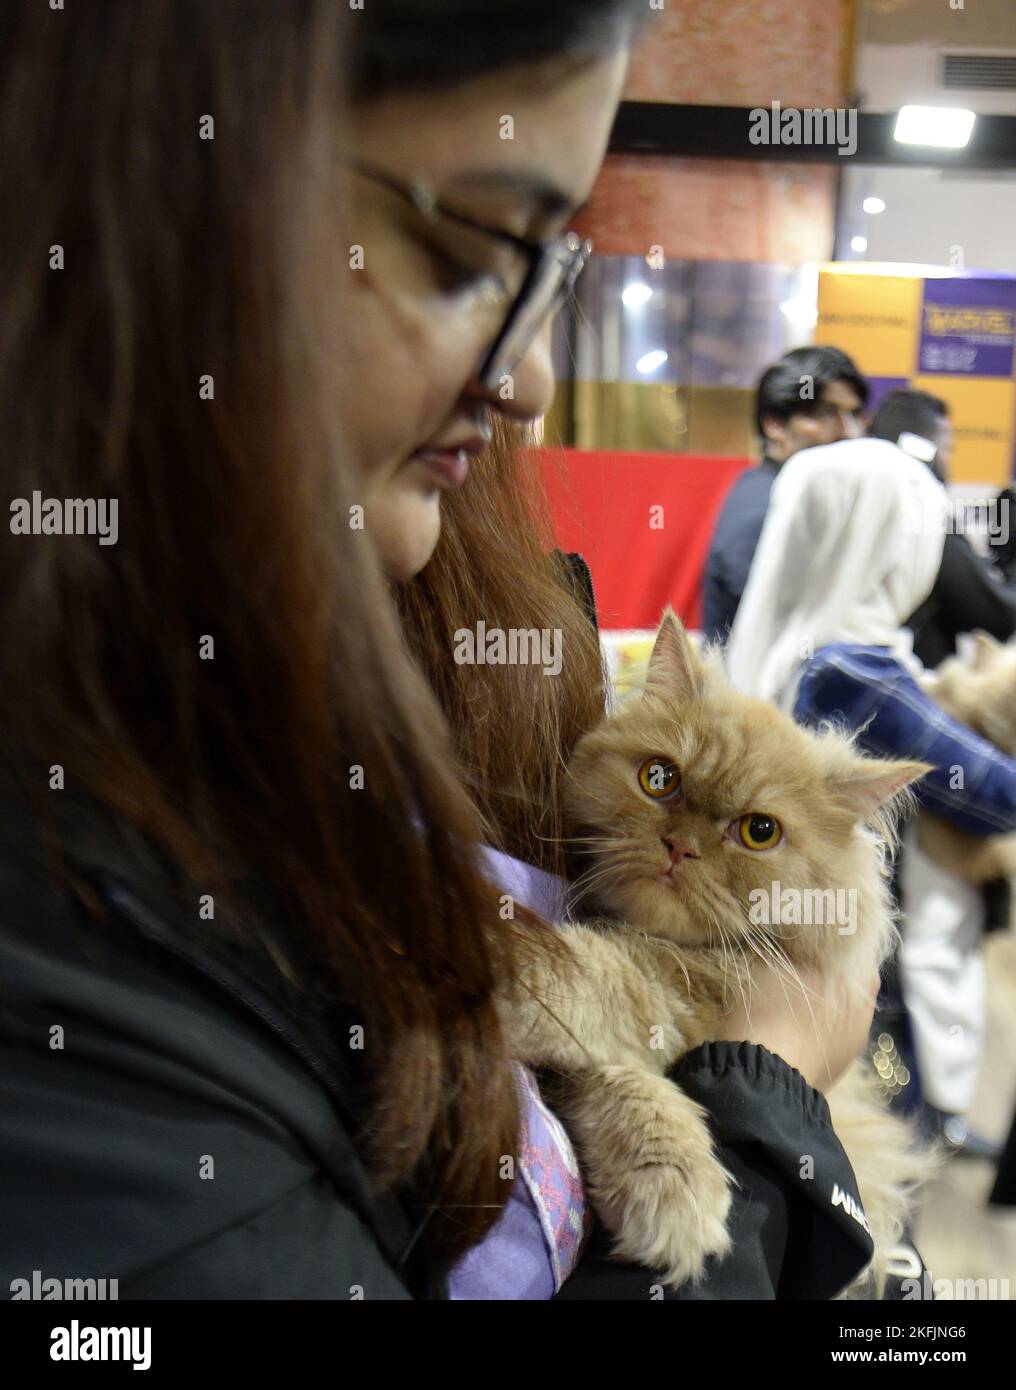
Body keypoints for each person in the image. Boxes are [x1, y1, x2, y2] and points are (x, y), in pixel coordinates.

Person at [0, 0, 884, 1303]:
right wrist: (765, 1111)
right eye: (472, 249)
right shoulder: (65, 939)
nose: (529, 376)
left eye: (554, 272)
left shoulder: (431, 604)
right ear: (161, 174)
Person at [725, 436, 1016, 1155]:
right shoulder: (856, 669)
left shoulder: (789, 649)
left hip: (789, 956)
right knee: (885, 1144)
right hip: (854, 977)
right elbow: (993, 795)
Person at [701, 345, 868, 643]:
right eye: (826, 413)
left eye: (854, 415)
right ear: (775, 424)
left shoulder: (794, 496)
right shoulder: (764, 506)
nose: (849, 432)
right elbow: (789, 629)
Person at [868, 389, 1016, 670]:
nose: (949, 462)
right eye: (948, 449)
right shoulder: (922, 513)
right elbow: (998, 615)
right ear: (928, 452)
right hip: (907, 684)